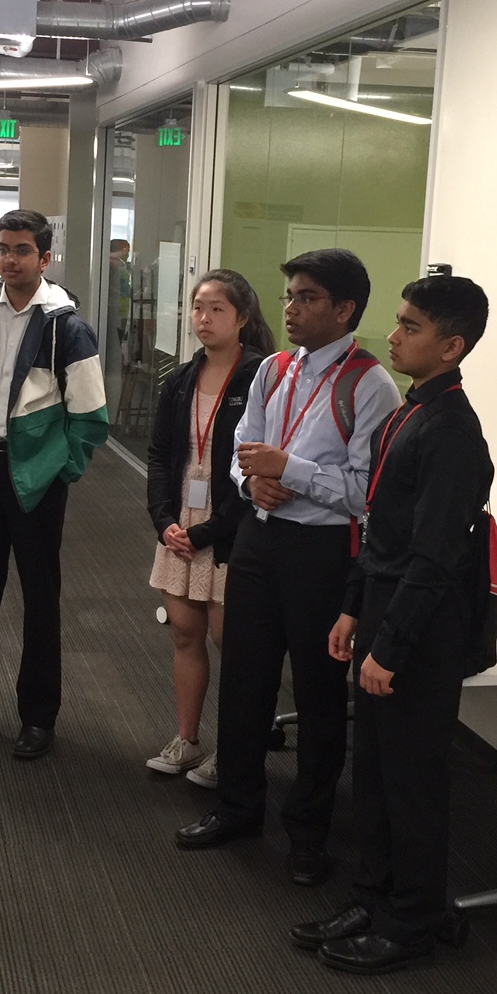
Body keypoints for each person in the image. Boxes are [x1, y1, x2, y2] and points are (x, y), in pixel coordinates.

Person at [174, 249, 400, 888]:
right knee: (244, 681)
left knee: (319, 695)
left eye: (307, 298)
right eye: (290, 298)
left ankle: (308, 834)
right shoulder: (273, 370)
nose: (292, 310)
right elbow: (242, 455)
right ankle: (238, 808)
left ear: (345, 309)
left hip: (321, 557)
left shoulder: (369, 385)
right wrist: (254, 484)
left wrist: (289, 473)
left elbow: (364, 493)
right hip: (259, 544)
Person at [292, 274, 494, 976]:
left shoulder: (453, 433)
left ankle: (413, 917)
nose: (395, 334)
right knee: (373, 771)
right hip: (381, 610)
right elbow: (378, 530)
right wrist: (353, 607)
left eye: (411, 326)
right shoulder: (412, 411)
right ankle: (375, 895)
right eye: (400, 321)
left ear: (452, 345)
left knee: (412, 780)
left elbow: (435, 559)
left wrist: (392, 647)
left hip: (420, 633)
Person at [0, 209, 109, 760]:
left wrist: (63, 467)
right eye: (3, 249)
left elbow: (91, 416)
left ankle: (38, 718)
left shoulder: (67, 326)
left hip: (36, 478)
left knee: (40, 598)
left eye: (22, 251)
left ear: (45, 258)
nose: (9, 260)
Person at [143, 270, 274, 786]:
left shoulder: (262, 377)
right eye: (199, 307)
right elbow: (158, 456)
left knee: (232, 642)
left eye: (217, 308)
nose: (204, 318)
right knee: (185, 635)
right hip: (181, 525)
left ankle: (233, 750)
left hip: (232, 530)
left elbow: (259, 472)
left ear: (242, 317)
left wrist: (207, 531)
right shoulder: (179, 378)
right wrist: (164, 521)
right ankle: (187, 739)